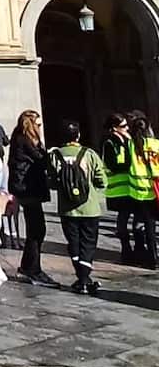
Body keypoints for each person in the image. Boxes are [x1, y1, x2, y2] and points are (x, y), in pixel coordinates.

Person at [50, 120, 108, 295]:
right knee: (88, 244)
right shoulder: (89, 154)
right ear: (78, 135)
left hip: (67, 209)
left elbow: (52, 182)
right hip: (89, 208)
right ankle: (84, 279)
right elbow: (102, 180)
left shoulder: (55, 155)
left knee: (73, 243)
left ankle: (82, 277)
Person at [8, 109, 58, 287]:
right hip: (28, 188)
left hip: (27, 187)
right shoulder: (25, 139)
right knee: (36, 229)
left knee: (36, 228)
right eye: (37, 124)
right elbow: (41, 160)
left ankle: (28, 266)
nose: (39, 127)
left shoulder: (21, 138)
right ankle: (33, 269)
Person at [102, 112, 135, 263]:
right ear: (114, 128)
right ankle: (126, 249)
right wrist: (129, 165)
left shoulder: (126, 141)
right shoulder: (109, 142)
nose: (127, 128)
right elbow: (113, 165)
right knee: (122, 219)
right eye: (123, 126)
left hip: (129, 187)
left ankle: (134, 249)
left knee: (131, 218)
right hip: (117, 188)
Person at [127, 114, 159, 269]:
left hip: (138, 191)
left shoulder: (131, 145)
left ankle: (152, 257)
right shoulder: (155, 145)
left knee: (148, 227)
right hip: (156, 190)